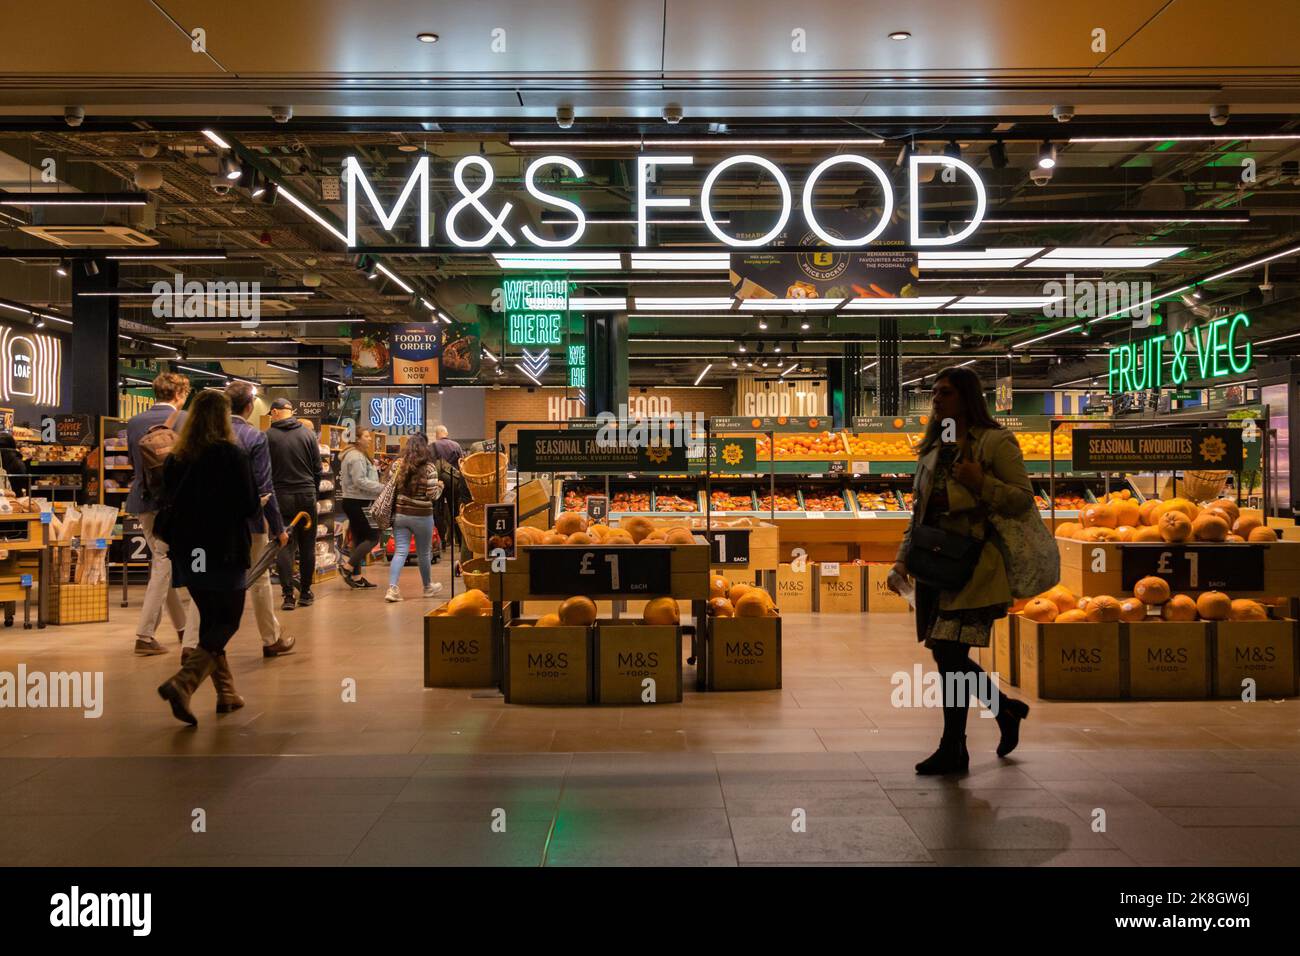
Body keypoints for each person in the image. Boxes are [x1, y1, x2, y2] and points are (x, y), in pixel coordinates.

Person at [890, 366, 1033, 775]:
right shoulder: (933, 450)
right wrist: (902, 559)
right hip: (933, 564)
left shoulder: (996, 442)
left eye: (946, 393)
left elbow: (1023, 500)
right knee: (944, 654)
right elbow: (918, 516)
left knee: (949, 652)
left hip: (974, 567)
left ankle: (956, 745)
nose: (936, 400)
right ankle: (1003, 711)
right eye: (934, 393)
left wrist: (981, 481)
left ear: (967, 398)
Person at [154, 390, 260, 726]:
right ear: (223, 418)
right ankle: (183, 682)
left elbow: (167, 501)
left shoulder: (176, 458)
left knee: (212, 621)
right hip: (223, 549)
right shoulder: (232, 455)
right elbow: (248, 504)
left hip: (191, 553)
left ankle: (226, 694)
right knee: (228, 621)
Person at [181, 383, 296, 662]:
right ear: (248, 407)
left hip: (202, 528)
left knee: (203, 583)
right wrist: (278, 528)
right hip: (248, 525)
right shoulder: (254, 437)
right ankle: (271, 640)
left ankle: (191, 644)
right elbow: (263, 487)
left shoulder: (197, 439)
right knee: (259, 581)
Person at [126, 372, 191, 655]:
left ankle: (182, 628)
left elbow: (133, 462)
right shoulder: (185, 419)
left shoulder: (135, 422)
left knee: (163, 560)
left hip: (143, 501)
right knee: (164, 564)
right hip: (174, 505)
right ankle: (145, 635)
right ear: (179, 394)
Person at [266, 397, 322, 614]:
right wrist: (313, 492)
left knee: (284, 544)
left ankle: (288, 595)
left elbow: (264, 469)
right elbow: (317, 468)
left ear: (275, 412)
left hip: (281, 497)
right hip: (306, 495)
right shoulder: (307, 434)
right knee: (308, 545)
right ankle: (306, 592)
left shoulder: (268, 436)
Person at [384, 432, 444, 602]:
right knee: (424, 553)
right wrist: (440, 487)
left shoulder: (398, 465)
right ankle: (427, 587)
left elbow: (391, 486)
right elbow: (432, 495)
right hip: (422, 516)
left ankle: (392, 589)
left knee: (400, 551)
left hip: (401, 514)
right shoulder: (430, 468)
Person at [338, 428, 383, 588]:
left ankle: (356, 577)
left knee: (358, 538)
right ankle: (347, 567)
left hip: (356, 501)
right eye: (366, 436)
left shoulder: (355, 454)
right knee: (373, 536)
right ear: (357, 439)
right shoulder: (356, 457)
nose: (370, 439)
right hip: (359, 502)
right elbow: (360, 481)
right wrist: (382, 487)